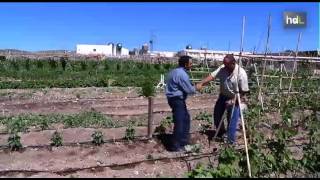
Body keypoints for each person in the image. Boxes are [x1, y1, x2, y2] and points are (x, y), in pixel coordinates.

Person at [196, 54, 249, 144]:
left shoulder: (241, 74)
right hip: (223, 96)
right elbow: (212, 76)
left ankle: (230, 142)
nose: (225, 67)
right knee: (217, 114)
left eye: (227, 65)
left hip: (235, 98)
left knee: (232, 120)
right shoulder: (222, 68)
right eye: (224, 64)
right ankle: (221, 133)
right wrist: (201, 83)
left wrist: (233, 101)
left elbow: (244, 92)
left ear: (233, 63)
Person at [165, 55, 196, 152]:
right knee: (181, 122)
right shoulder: (182, 74)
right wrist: (196, 88)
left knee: (185, 119)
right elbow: (189, 90)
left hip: (172, 99)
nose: (191, 65)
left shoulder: (173, 72)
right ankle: (176, 145)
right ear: (186, 64)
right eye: (190, 63)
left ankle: (183, 141)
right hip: (177, 100)